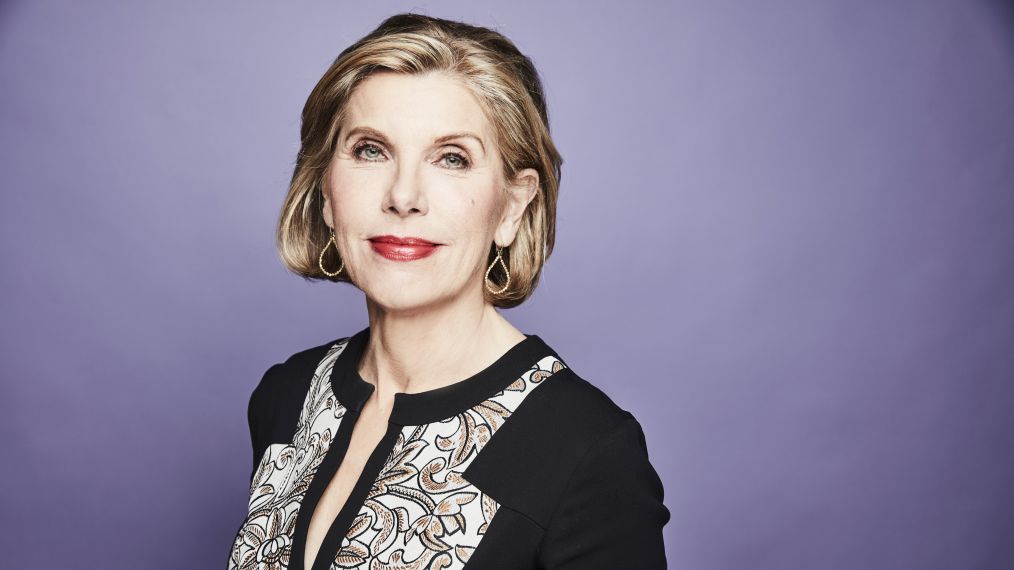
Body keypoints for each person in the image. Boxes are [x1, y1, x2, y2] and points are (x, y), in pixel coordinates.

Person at [227, 12, 670, 570]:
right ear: (324, 191)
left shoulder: (586, 450)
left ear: (512, 205)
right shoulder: (286, 396)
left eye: (452, 158)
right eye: (370, 150)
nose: (404, 195)